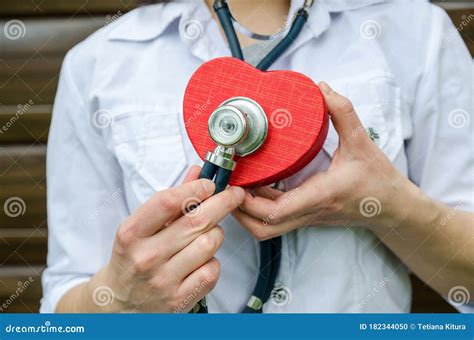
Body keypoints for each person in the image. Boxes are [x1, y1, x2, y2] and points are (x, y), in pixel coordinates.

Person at [41, 0, 473, 313]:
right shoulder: (101, 64)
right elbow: (66, 302)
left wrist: (387, 206)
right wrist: (120, 299)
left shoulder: (415, 30)